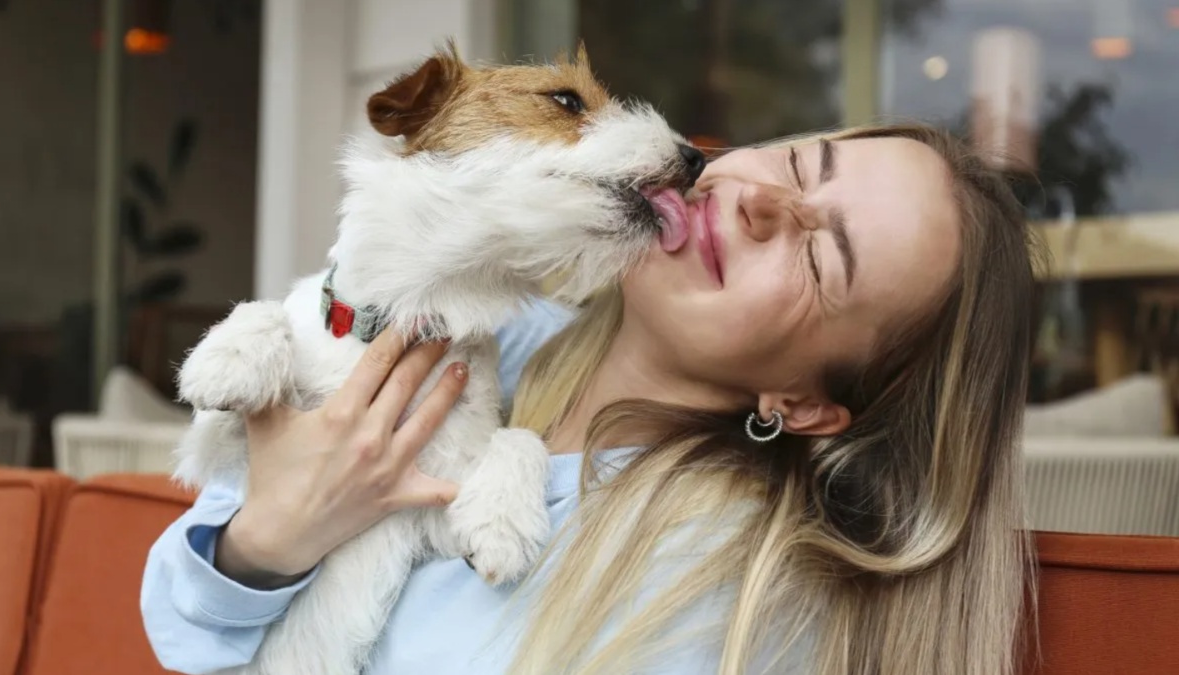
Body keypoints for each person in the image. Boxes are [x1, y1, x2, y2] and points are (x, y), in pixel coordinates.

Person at [141, 123, 1039, 675]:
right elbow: (178, 624)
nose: (763, 198)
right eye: (803, 160)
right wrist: (271, 539)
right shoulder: (485, 337)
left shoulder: (712, 589)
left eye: (819, 257)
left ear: (803, 404)